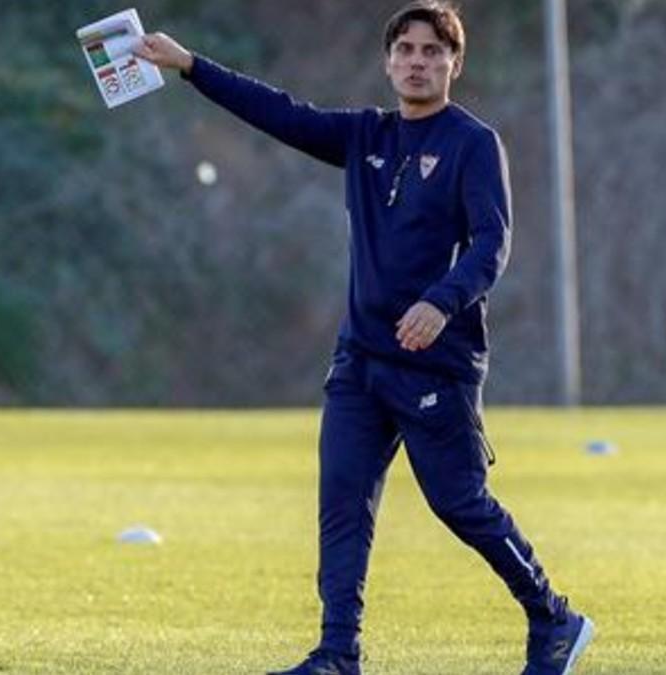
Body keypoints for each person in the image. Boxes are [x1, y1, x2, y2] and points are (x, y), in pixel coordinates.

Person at [133, 2, 595, 674]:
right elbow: (280, 112)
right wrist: (190, 67)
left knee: (460, 504)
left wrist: (442, 302)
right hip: (361, 360)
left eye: (432, 51)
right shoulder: (366, 136)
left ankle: (554, 617)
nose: (417, 61)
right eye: (405, 49)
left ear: (454, 64)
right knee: (342, 502)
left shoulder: (472, 143)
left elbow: (493, 242)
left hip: (436, 363)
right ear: (387, 61)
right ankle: (337, 652)